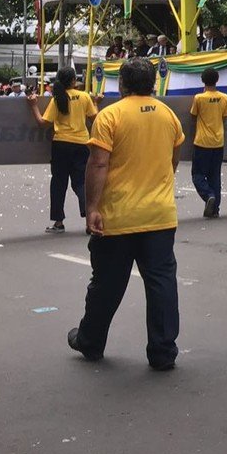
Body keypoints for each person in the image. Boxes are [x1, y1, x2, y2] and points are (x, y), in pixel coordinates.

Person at [67, 58, 185, 369]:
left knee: (107, 282)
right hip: (160, 215)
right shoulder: (168, 115)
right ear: (153, 84)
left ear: (121, 84)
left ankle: (90, 341)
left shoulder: (110, 116)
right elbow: (172, 161)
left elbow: (99, 163)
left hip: (118, 215)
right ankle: (163, 352)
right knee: (161, 283)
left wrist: (92, 207)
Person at [27, 67, 99, 234]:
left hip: (61, 145)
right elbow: (95, 119)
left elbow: (43, 122)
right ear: (74, 81)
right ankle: (90, 220)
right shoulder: (84, 97)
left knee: (59, 184)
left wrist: (33, 106)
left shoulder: (57, 98)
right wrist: (96, 102)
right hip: (82, 144)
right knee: (81, 182)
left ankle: (58, 223)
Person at [190, 68, 227, 219]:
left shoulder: (199, 98)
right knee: (215, 176)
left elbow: (193, 116)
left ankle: (208, 196)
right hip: (218, 142)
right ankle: (215, 209)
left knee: (197, 174)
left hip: (202, 142)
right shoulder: (225, 97)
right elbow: (224, 118)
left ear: (203, 80)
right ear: (217, 80)